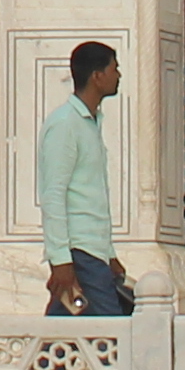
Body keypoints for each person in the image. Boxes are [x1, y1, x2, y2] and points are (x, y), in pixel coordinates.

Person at [39, 39, 133, 317]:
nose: (119, 75)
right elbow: (53, 194)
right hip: (79, 253)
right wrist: (60, 261)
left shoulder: (89, 122)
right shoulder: (65, 124)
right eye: (115, 69)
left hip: (93, 254)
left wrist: (109, 254)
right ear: (97, 76)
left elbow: (90, 197)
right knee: (111, 333)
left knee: (66, 335)